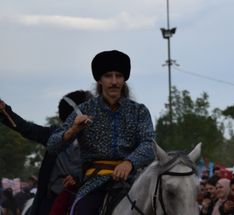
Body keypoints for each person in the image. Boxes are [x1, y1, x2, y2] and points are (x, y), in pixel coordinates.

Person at [47, 50, 155, 215]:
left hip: (131, 184)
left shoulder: (139, 111)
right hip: (93, 184)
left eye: (118, 76)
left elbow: (149, 144)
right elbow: (52, 146)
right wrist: (73, 130)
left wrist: (129, 162)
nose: (114, 82)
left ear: (124, 79)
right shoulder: (84, 110)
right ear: (99, 79)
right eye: (108, 76)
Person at [0, 90, 91, 215]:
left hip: (85, 196)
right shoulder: (53, 135)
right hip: (52, 198)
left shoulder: (96, 139)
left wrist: (78, 177)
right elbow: (26, 128)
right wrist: (5, 111)